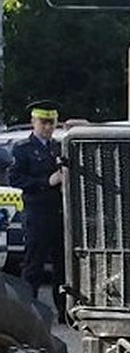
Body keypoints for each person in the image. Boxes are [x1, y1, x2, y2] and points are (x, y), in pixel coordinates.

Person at [9, 101, 66, 322]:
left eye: (51, 122)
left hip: (59, 214)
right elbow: (16, 178)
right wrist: (47, 181)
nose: (48, 127)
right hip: (37, 214)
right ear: (34, 122)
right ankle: (26, 313)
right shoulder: (22, 149)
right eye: (43, 122)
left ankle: (63, 312)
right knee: (33, 266)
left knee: (62, 269)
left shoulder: (57, 147)